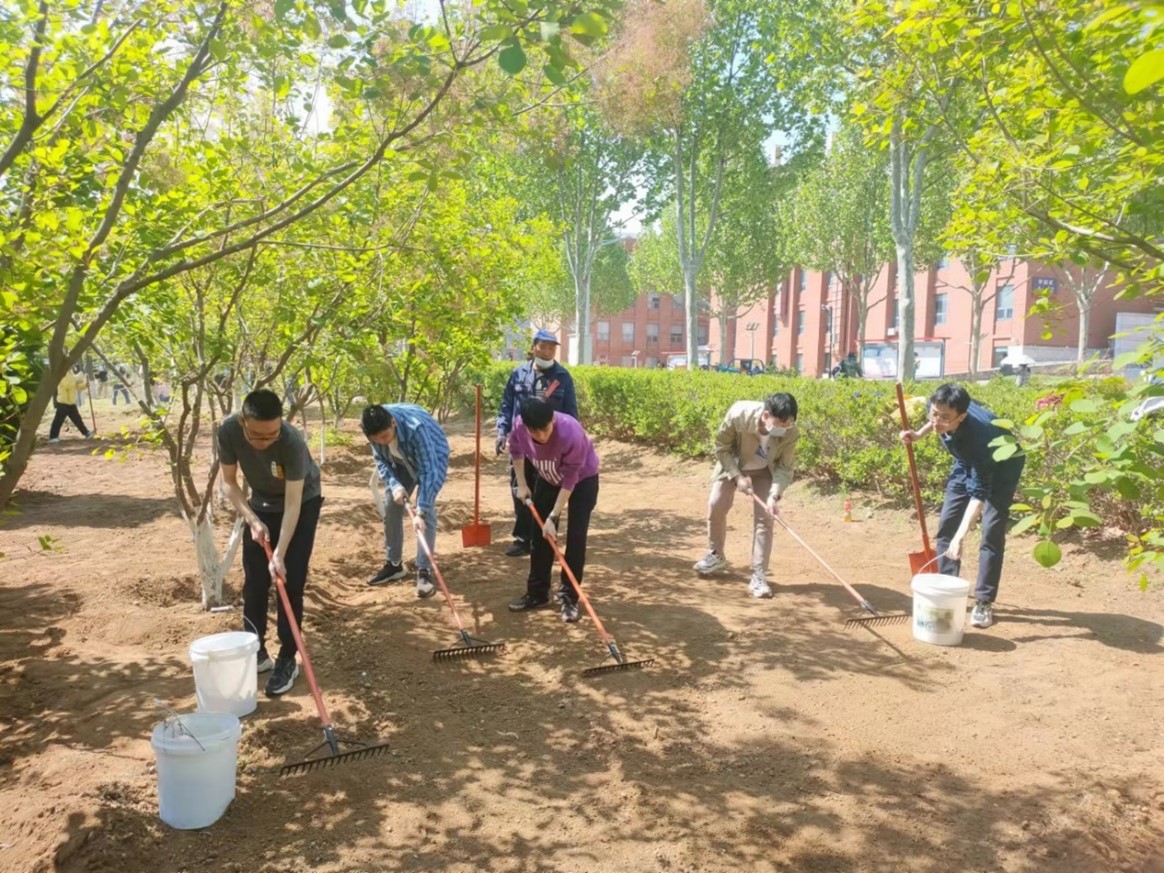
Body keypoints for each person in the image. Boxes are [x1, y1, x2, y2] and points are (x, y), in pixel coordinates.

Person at [218, 389, 323, 697]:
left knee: (289, 581)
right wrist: (252, 520)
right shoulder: (227, 431)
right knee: (254, 580)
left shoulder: (290, 441)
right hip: (260, 503)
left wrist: (279, 553)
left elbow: (293, 504)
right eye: (257, 436)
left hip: (302, 503)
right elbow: (228, 482)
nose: (265, 443)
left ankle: (287, 658)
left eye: (271, 435)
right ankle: (255, 650)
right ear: (242, 422)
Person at [900, 383, 1025, 630]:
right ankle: (947, 588)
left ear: (962, 416)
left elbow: (978, 496)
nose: (937, 421)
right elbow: (934, 421)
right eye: (934, 414)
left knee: (991, 530)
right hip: (964, 461)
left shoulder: (981, 440)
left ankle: (984, 601)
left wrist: (960, 537)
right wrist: (918, 434)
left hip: (1001, 466)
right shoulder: (938, 405)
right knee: (947, 524)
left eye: (945, 419)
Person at [693, 392, 800, 598]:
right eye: (780, 423)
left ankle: (759, 575)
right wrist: (737, 476)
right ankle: (716, 554)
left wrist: (774, 495)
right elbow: (722, 448)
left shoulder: (790, 432)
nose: (784, 428)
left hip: (765, 472)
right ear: (766, 415)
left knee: (765, 519)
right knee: (716, 505)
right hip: (734, 464)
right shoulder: (738, 413)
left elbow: (785, 468)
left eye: (788, 425)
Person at [505, 397, 599, 623]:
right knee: (540, 535)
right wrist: (523, 484)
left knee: (576, 537)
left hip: (581, 481)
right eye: (535, 433)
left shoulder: (570, 432)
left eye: (545, 429)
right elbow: (516, 451)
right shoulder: (519, 426)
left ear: (552, 419)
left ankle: (569, 597)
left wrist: (553, 516)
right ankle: (537, 593)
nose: (542, 436)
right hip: (547, 479)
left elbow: (570, 477)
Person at [495, 329, 579, 558]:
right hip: (521, 443)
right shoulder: (518, 374)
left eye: (552, 347)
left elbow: (571, 413)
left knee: (545, 491)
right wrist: (502, 431)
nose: (547, 351)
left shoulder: (562, 377)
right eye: (543, 346)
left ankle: (544, 534)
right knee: (521, 489)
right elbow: (506, 405)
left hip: (549, 446)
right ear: (534, 347)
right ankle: (523, 538)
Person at [362, 403, 450, 597]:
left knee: (425, 515)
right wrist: (395, 486)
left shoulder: (415, 428)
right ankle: (394, 565)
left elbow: (429, 471)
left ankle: (424, 570)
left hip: (433, 456)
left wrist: (421, 510)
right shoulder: (373, 432)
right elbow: (381, 461)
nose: (382, 442)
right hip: (399, 461)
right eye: (377, 440)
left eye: (385, 437)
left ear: (393, 423)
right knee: (391, 505)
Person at [49, 367, 95, 443]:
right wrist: (77, 379)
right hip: (63, 402)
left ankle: (86, 433)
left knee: (77, 419)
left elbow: (76, 387)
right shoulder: (61, 373)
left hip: (71, 402)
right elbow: (66, 385)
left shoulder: (71, 373)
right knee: (58, 421)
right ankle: (53, 437)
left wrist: (85, 385)